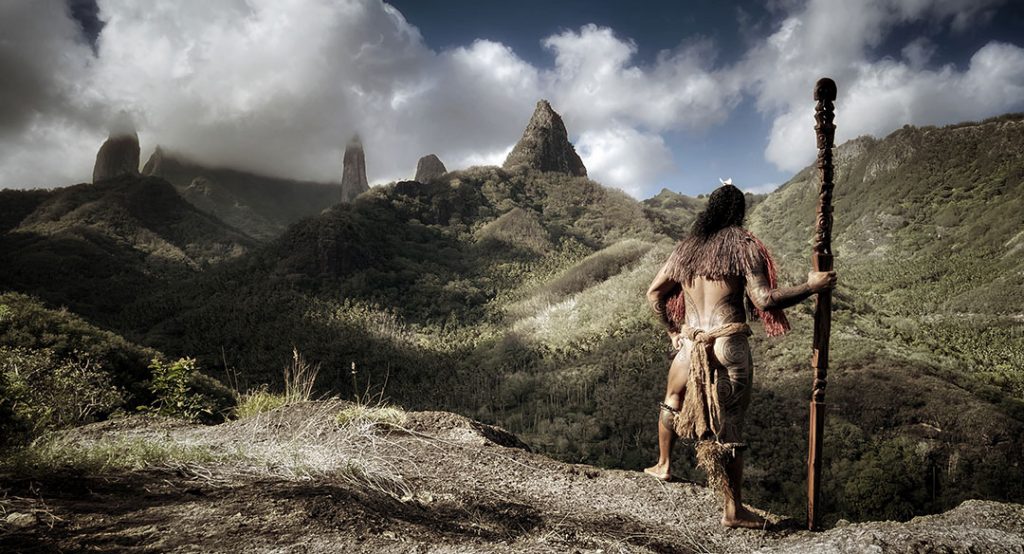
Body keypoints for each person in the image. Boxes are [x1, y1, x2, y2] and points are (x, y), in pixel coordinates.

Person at [642, 181, 836, 529]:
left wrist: (672, 331)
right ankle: (733, 510)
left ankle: (663, 465)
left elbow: (654, 294)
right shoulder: (744, 246)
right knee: (730, 421)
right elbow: (764, 300)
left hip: (689, 345)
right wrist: (811, 287)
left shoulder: (686, 249)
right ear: (739, 212)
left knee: (672, 398)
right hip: (727, 345)